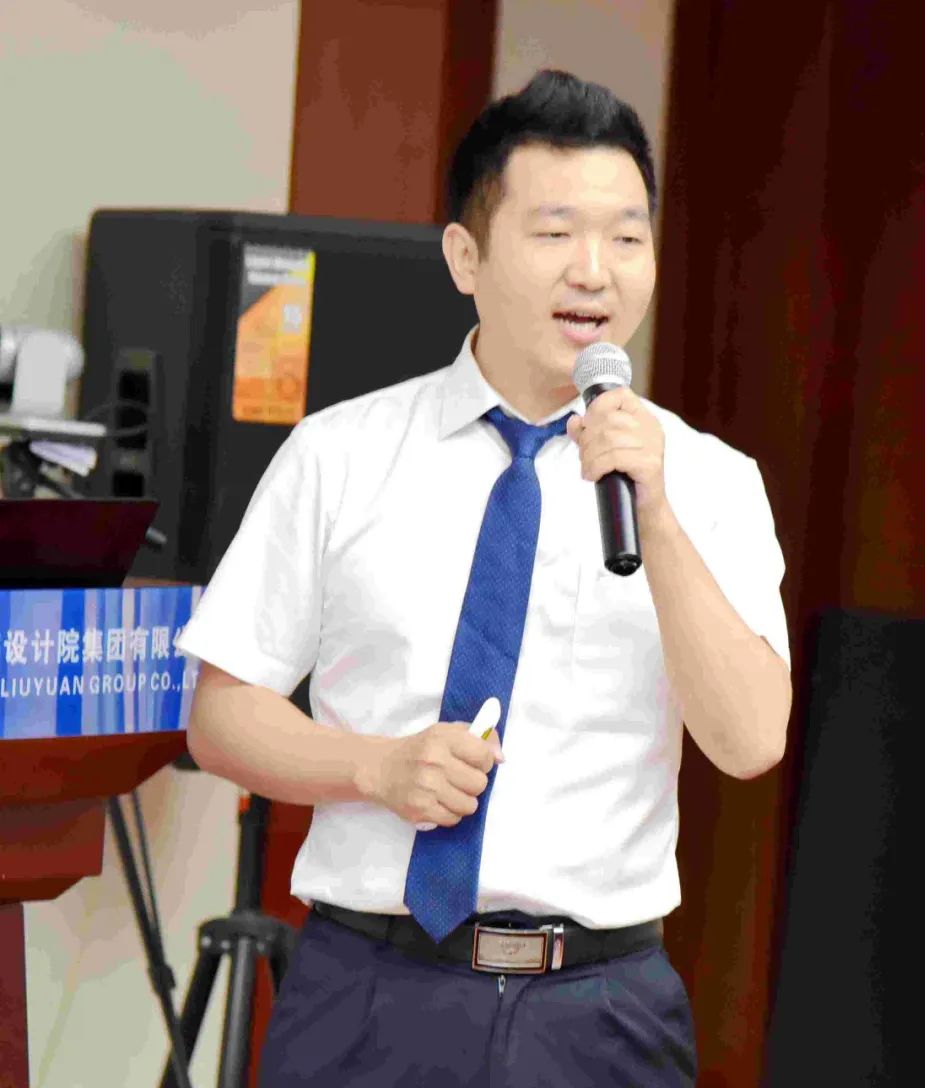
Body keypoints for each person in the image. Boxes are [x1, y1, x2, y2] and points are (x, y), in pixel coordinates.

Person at [178, 69, 792, 1088]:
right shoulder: (341, 453)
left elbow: (750, 738)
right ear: (467, 256)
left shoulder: (710, 481)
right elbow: (221, 714)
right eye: (555, 233)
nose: (594, 272)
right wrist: (374, 768)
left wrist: (658, 512)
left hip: (600, 1011)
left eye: (626, 237)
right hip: (369, 992)